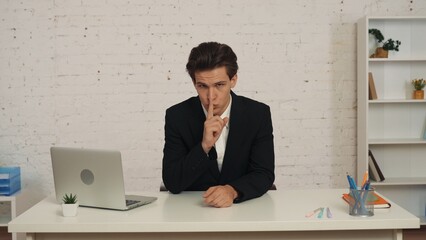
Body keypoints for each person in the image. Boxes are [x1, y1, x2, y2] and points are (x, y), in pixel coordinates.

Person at [162, 42, 275, 208]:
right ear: (194, 84)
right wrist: (204, 147)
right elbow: (172, 182)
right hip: (191, 210)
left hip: (244, 209)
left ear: (233, 80)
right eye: (202, 86)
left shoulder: (257, 114)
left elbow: (264, 173)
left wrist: (232, 191)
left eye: (219, 85)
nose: (210, 96)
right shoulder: (177, 116)